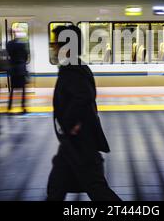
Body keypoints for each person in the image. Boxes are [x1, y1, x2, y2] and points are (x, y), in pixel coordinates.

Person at [46, 25, 121, 201]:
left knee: (97, 189)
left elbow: (83, 96)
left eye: (55, 43)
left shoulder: (73, 68)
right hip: (72, 143)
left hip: (80, 142)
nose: (53, 47)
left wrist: (72, 124)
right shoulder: (73, 66)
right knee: (56, 186)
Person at [6, 29, 29, 114]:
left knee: (12, 89)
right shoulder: (22, 44)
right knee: (23, 89)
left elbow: (8, 54)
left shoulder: (9, 44)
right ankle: (23, 107)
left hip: (13, 69)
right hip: (21, 68)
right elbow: (26, 56)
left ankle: (9, 107)